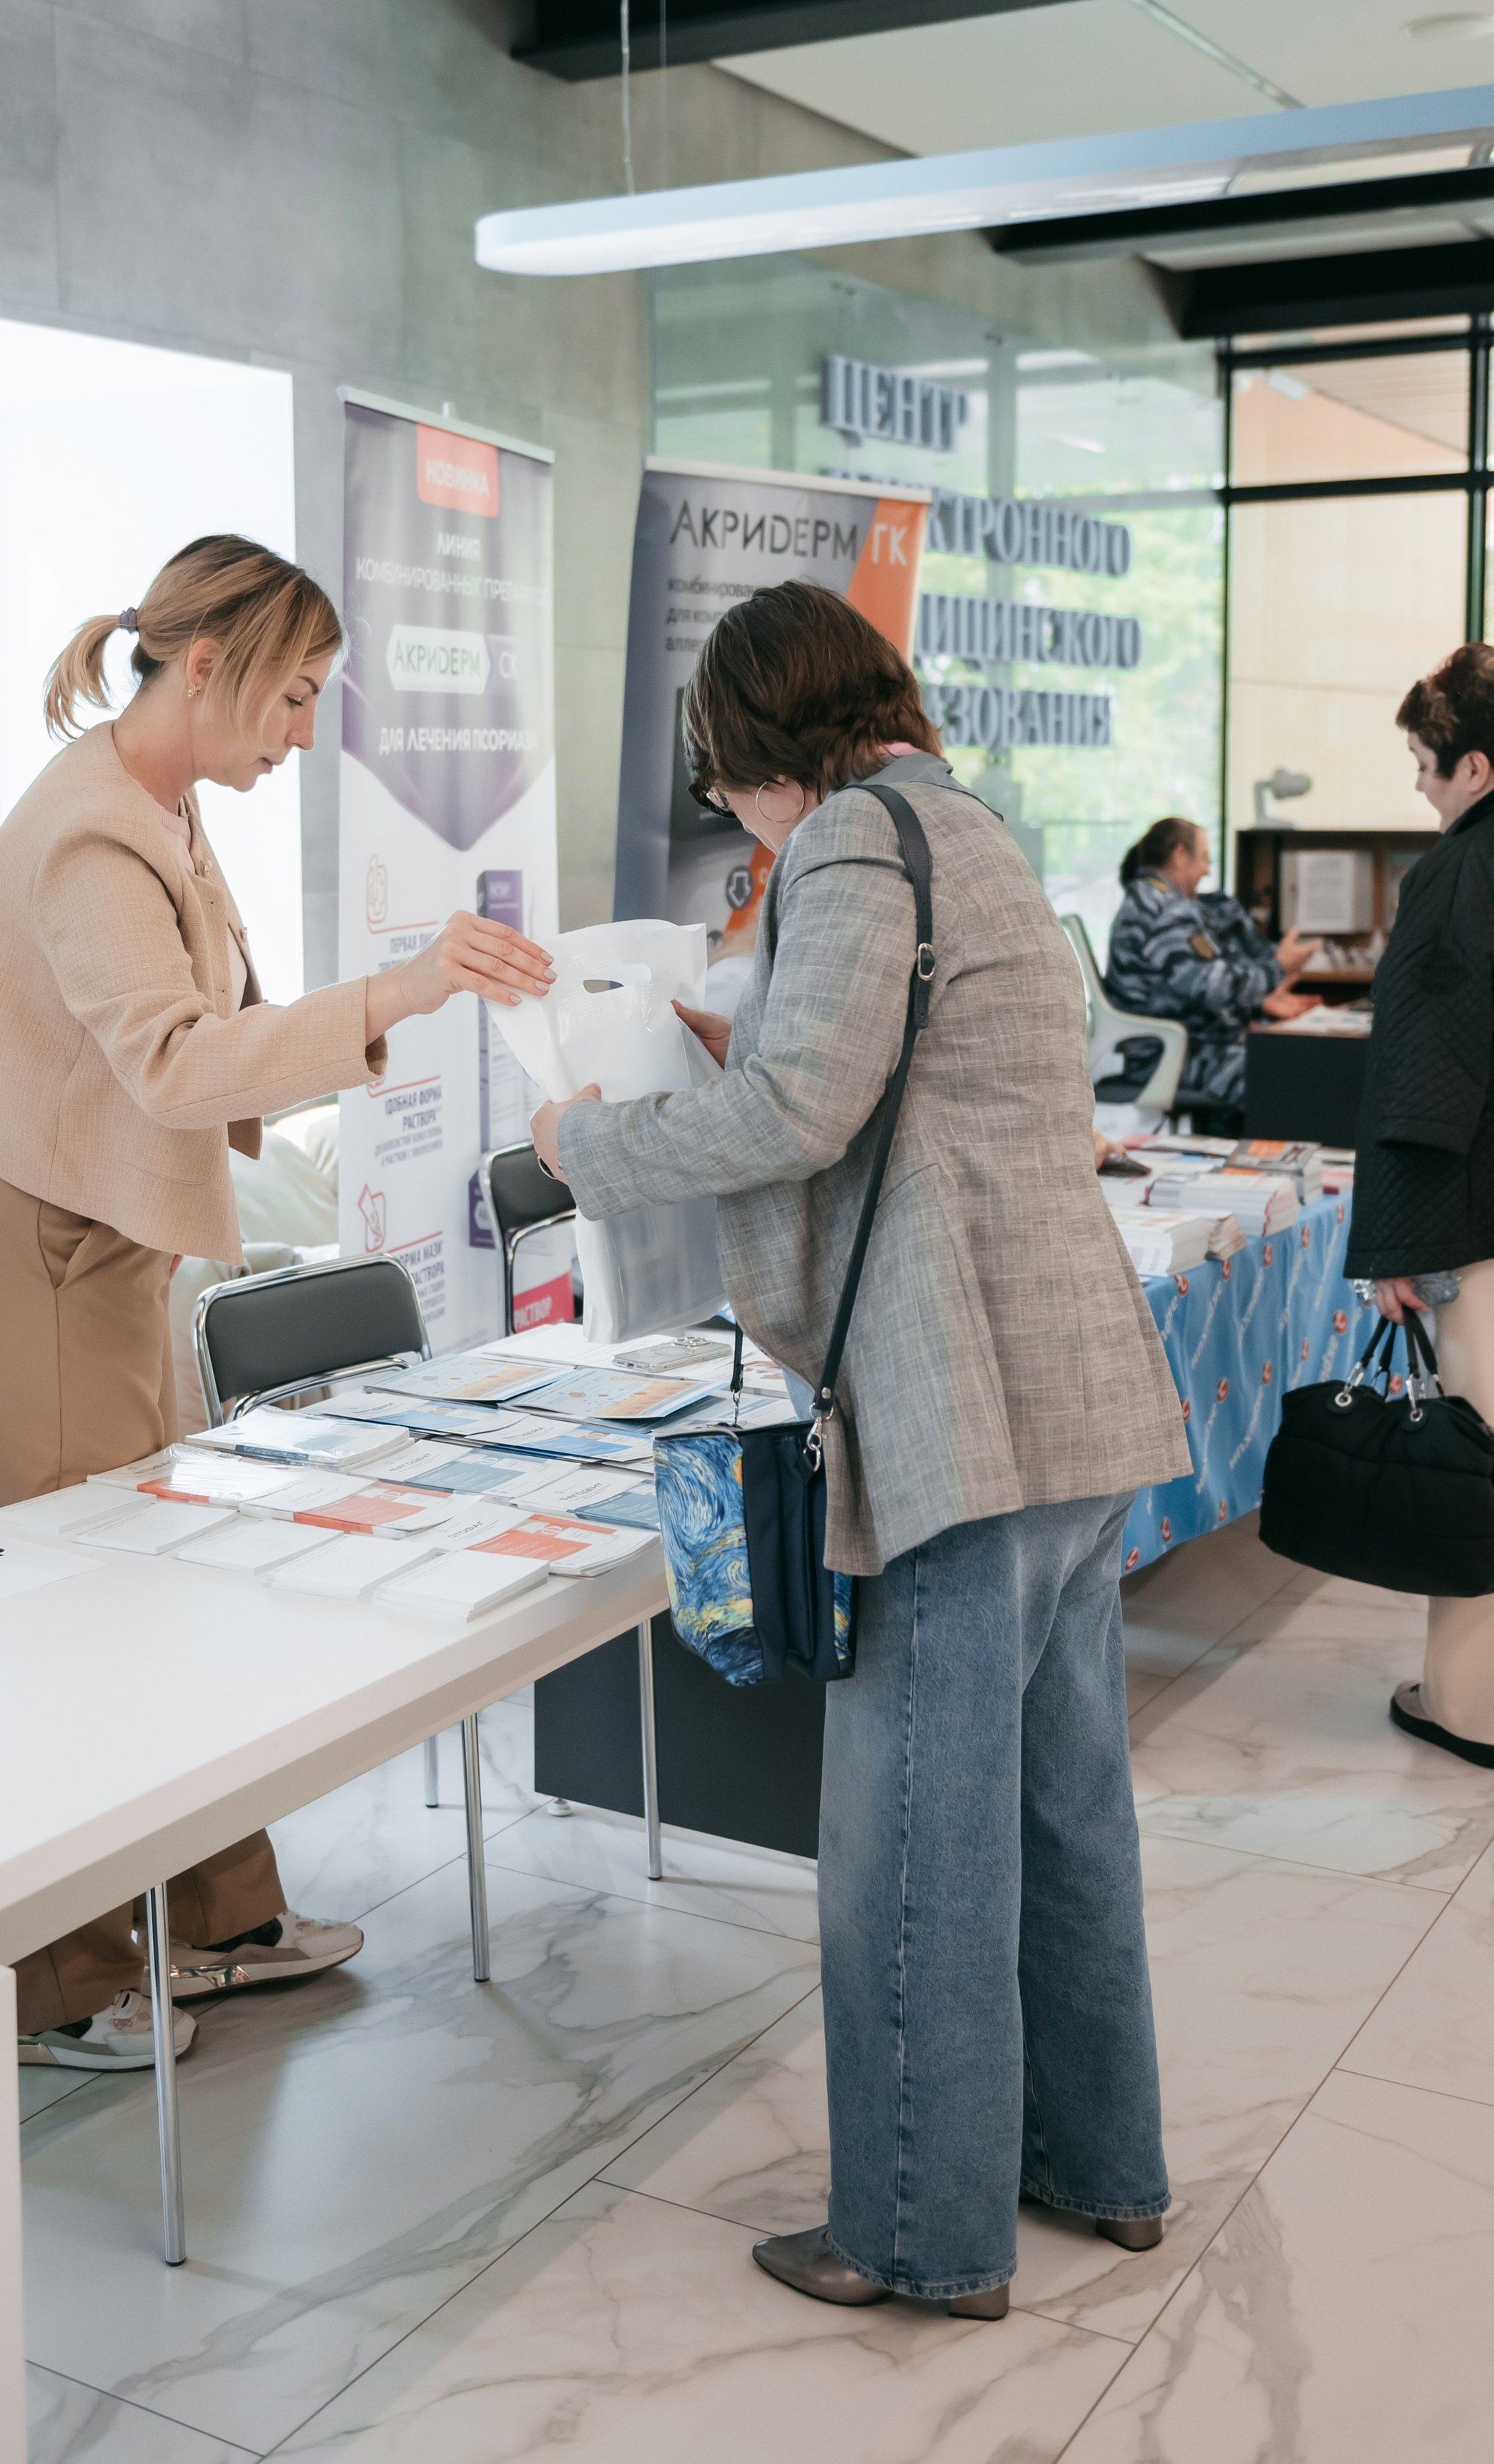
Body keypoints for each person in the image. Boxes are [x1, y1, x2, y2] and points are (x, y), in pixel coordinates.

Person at [530, 580, 1190, 2320]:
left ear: (762, 744)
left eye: (722, 782)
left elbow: (801, 1109)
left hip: (954, 1400)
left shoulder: (841, 836)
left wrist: (586, 1140)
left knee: (914, 1841)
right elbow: (911, 1073)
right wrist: (744, 1041)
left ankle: (916, 2232)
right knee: (1063, 1812)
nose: (734, 817)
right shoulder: (965, 824)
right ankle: (1097, 2164)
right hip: (1072, 1390)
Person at [0, 534, 550, 2071]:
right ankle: (62, 1984)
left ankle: (219, 1918)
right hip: (28, 1256)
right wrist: (397, 990)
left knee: (147, 1599)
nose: (304, 734)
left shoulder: (161, 804)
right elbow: (177, 1061)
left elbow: (213, 1029)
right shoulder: (91, 836)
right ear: (207, 666)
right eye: (296, 695)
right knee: (68, 1621)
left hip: (102, 1246)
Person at [1346, 644, 1494, 1768]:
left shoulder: (1456, 874)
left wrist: (1392, 1244)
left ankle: (1473, 1704)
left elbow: (1423, 1076)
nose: (1417, 782)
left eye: (1424, 761)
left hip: (1480, 1219)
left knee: (1479, 1460)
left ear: (1474, 768)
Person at [1104, 816, 1317, 1124]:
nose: (1206, 870)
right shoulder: (1163, 911)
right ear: (1180, 855)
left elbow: (1193, 985)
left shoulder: (1151, 901)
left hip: (1183, 1048)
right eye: (1204, 858)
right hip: (1172, 1056)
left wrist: (1257, 1004)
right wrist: (1277, 967)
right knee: (1284, 1078)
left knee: (1285, 1063)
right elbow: (1211, 988)